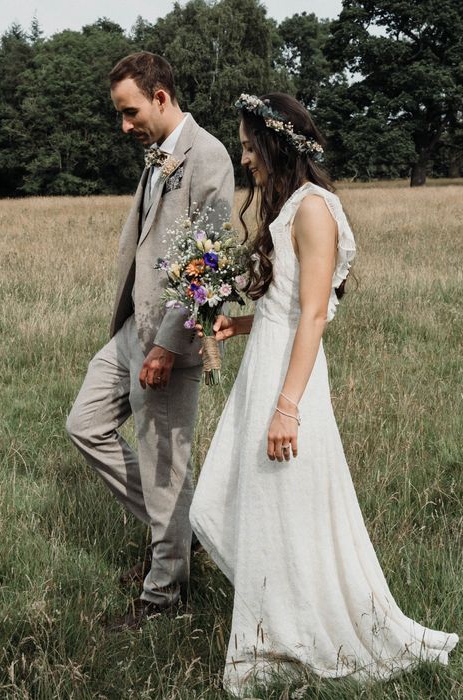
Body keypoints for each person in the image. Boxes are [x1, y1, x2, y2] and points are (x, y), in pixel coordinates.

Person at [189, 93, 458, 695]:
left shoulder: (313, 210)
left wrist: (288, 408)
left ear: (275, 143)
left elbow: (313, 316)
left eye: (249, 143)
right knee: (239, 503)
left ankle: (290, 633)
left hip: (290, 381)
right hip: (268, 365)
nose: (244, 155)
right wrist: (240, 323)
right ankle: (280, 616)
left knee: (286, 505)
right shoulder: (289, 208)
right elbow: (285, 308)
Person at [65, 51, 234, 629]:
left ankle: (164, 599)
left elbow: (208, 262)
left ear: (160, 97)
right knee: (84, 424)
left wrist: (166, 345)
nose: (125, 125)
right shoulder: (155, 155)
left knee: (166, 473)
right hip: (128, 330)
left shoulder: (208, 155)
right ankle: (180, 535)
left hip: (169, 339)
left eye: (130, 111)